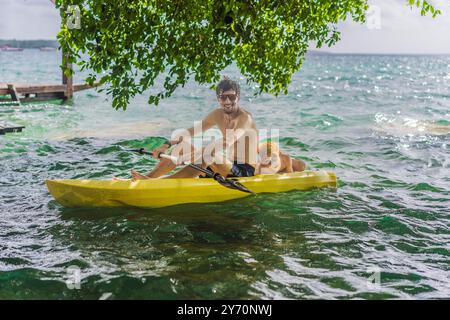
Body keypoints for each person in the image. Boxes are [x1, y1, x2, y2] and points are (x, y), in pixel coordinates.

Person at [130, 77, 259, 180]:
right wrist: (167, 145)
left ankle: (161, 184)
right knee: (182, 147)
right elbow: (190, 132)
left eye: (231, 97)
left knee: (207, 152)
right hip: (225, 168)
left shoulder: (245, 118)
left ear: (238, 97)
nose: (227, 101)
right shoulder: (217, 114)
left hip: (244, 172)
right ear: (218, 99)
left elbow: (227, 142)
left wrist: (188, 157)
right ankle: (147, 179)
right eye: (223, 97)